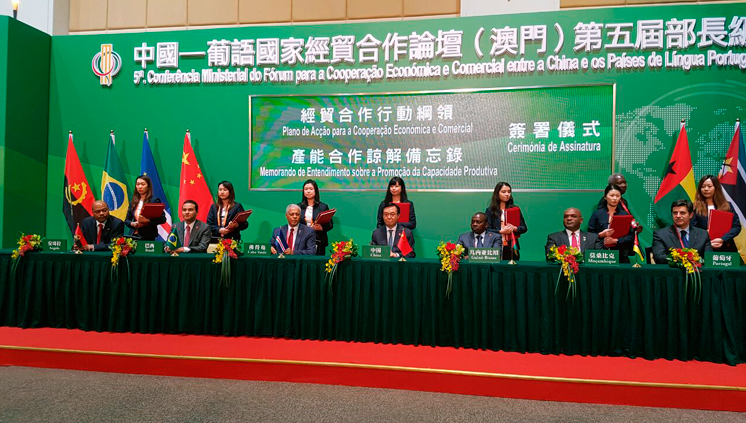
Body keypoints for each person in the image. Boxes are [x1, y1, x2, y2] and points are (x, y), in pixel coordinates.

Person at [652, 199, 713, 264]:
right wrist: (682, 259)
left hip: (697, 270)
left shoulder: (703, 234)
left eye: (682, 213)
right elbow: (659, 258)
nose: (678, 216)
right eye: (675, 213)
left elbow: (709, 259)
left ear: (691, 215)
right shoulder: (660, 234)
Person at [691, 175, 742, 251]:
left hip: (726, 247)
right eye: (703, 186)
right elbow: (692, 228)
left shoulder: (727, 206)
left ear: (716, 188)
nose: (706, 189)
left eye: (709, 186)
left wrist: (722, 239)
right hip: (703, 247)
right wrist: (705, 237)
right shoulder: (694, 207)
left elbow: (736, 227)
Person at [588, 184, 634, 263]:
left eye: (618, 196)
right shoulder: (597, 214)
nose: (615, 198)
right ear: (605, 197)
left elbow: (631, 236)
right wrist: (600, 235)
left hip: (621, 254)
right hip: (601, 255)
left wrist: (616, 240)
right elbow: (589, 235)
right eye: (612, 195)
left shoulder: (625, 215)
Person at [484, 182, 527, 260]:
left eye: (509, 192)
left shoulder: (515, 209)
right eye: (503, 192)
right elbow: (487, 230)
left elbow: (524, 228)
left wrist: (514, 228)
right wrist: (501, 231)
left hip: (511, 246)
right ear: (497, 193)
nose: (507, 194)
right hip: (495, 245)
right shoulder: (490, 211)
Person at [124, 175, 167, 241]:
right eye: (138, 184)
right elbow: (127, 220)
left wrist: (147, 221)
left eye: (143, 184)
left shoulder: (154, 201)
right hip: (133, 236)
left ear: (148, 186)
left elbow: (162, 219)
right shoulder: (133, 201)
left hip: (148, 237)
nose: (140, 187)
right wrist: (132, 224)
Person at [298, 179, 333, 256]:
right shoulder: (298, 207)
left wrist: (321, 228)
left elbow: (330, 224)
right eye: (306, 189)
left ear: (315, 191)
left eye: (311, 189)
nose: (308, 191)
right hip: (301, 241)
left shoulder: (323, 207)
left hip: (318, 240)